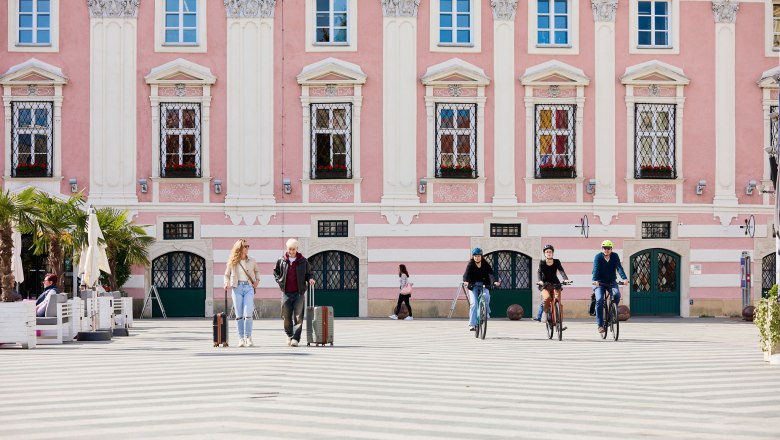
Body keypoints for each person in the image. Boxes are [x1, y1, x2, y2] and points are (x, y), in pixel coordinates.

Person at [273, 238, 315, 347]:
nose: (291, 251)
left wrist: (310, 279)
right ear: (287, 249)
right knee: (286, 316)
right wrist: (280, 281)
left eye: (293, 249)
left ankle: (296, 338)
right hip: (286, 293)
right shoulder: (281, 260)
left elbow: (309, 273)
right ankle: (289, 335)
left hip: (299, 293)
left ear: (297, 249)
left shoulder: (303, 261)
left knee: (298, 317)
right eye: (289, 249)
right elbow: (275, 272)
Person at [223, 239, 261, 348]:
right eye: (245, 246)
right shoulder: (233, 261)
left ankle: (248, 337)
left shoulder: (252, 260)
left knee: (247, 313)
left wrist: (257, 280)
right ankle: (241, 338)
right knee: (239, 315)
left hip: (249, 287)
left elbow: (257, 271)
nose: (247, 248)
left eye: (248, 246)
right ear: (239, 248)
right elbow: (226, 275)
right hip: (236, 288)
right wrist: (226, 283)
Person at [592, 240, 628, 334]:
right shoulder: (598, 257)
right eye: (604, 248)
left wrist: (624, 278)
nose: (606, 250)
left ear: (611, 249)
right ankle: (600, 325)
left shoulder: (615, 256)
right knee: (599, 299)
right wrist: (595, 280)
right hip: (599, 282)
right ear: (602, 249)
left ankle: (612, 313)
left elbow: (619, 267)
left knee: (617, 295)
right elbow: (596, 269)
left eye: (608, 248)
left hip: (611, 281)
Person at [462, 248, 499, 331]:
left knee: (486, 296)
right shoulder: (470, 264)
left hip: (484, 285)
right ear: (473, 257)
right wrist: (466, 281)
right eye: (475, 256)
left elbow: (491, 274)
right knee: (474, 304)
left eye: (478, 256)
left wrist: (495, 282)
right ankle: (472, 324)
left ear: (481, 256)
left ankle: (486, 312)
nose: (477, 258)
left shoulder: (485, 264)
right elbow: (466, 274)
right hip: (473, 286)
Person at [535, 244, 569, 330]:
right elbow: (539, 272)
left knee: (557, 301)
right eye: (547, 252)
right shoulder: (542, 262)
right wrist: (540, 281)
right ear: (544, 254)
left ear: (552, 253)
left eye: (550, 252)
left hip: (555, 284)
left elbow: (561, 271)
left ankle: (560, 322)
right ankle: (545, 314)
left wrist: (565, 279)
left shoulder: (557, 261)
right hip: (545, 284)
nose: (548, 253)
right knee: (547, 298)